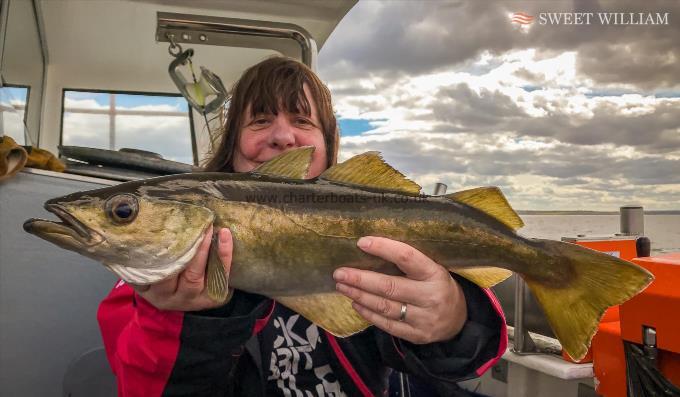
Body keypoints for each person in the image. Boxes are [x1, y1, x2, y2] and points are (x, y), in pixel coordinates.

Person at [98, 56, 506, 397]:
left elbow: (449, 364)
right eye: (259, 120)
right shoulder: (149, 279)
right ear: (231, 145)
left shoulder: (385, 230)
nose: (282, 136)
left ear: (328, 148)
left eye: (302, 121)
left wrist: (455, 320)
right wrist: (175, 320)